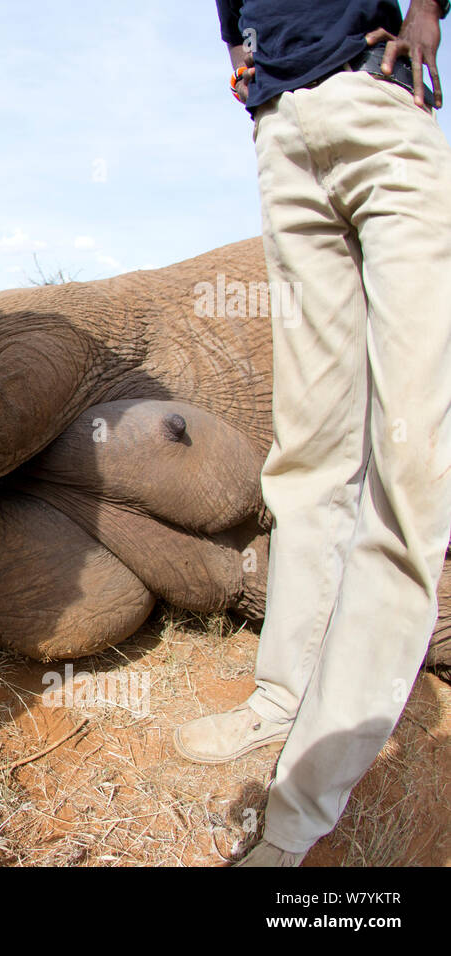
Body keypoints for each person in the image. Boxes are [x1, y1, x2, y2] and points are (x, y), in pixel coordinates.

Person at [175, 0, 451, 865]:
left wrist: (426, 11)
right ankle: (283, 699)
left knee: (408, 467)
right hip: (283, 137)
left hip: (377, 110)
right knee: (309, 454)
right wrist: (249, 76)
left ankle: (294, 816)